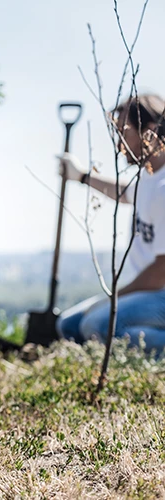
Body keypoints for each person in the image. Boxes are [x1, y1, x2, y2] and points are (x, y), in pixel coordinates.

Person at [56, 94, 165, 351]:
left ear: (149, 132)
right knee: (68, 325)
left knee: (94, 326)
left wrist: (113, 297)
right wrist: (82, 176)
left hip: (160, 293)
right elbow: (124, 193)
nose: (119, 146)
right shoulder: (149, 179)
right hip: (149, 293)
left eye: (124, 135)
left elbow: (161, 272)